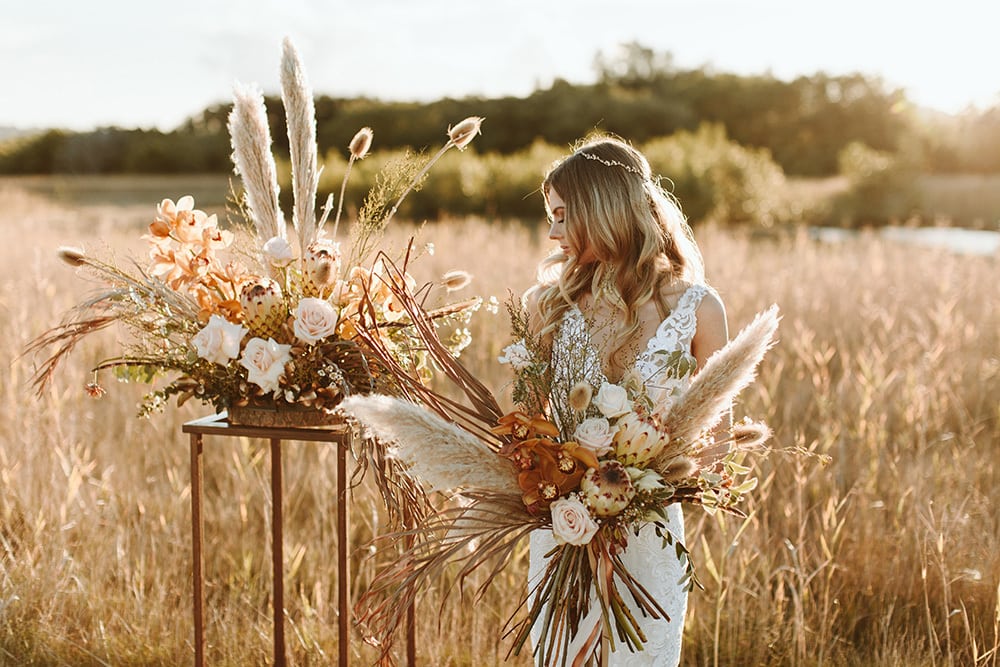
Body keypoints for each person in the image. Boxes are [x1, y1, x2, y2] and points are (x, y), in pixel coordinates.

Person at [523, 135, 730, 666]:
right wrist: (564, 485)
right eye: (552, 216)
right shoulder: (547, 307)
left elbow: (717, 443)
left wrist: (641, 488)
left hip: (650, 537)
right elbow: (530, 427)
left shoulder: (699, 310)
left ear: (605, 208)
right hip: (563, 532)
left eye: (564, 215)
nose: (553, 233)